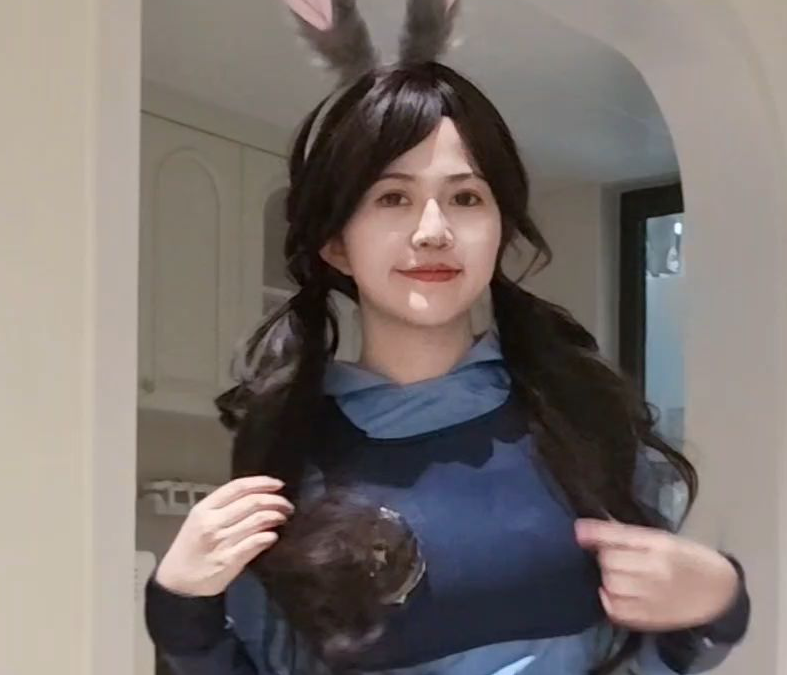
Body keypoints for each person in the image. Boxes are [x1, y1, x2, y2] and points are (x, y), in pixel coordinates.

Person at [144, 0, 751, 673]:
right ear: (336, 243)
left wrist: (720, 601)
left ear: (500, 229)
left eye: (465, 198)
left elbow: (661, 654)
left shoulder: (580, 423)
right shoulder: (291, 451)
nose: (433, 230)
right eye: (392, 198)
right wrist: (180, 607)